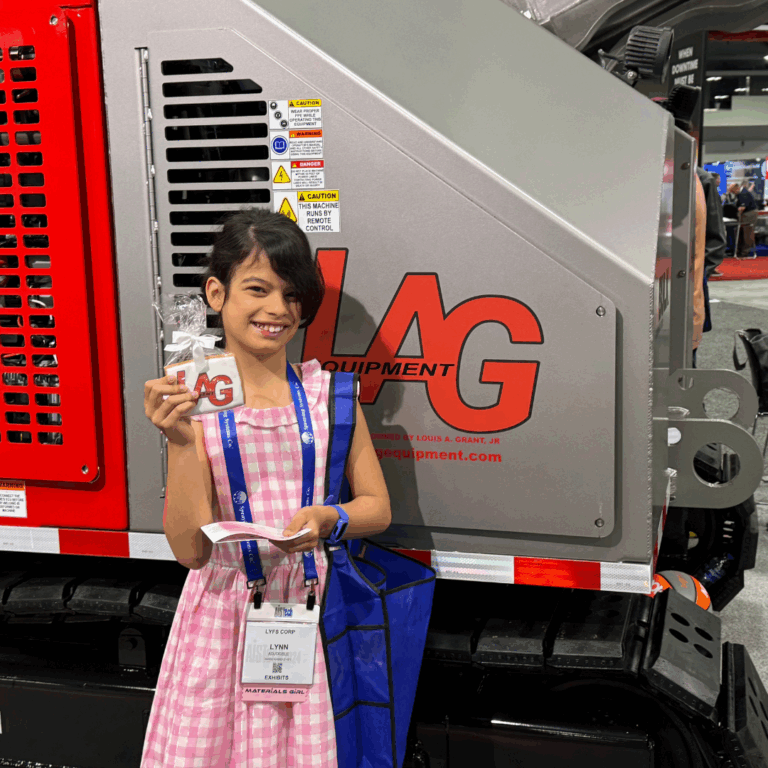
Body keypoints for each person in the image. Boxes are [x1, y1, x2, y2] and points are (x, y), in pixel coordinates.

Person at [141, 209, 391, 767]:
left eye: (293, 294)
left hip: (312, 609)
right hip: (221, 616)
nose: (278, 310)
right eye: (257, 288)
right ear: (216, 292)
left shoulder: (331, 394)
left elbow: (377, 508)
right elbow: (189, 551)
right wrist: (181, 443)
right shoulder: (195, 400)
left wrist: (331, 519)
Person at [736, 182, 758, 258]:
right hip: (747, 214)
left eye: (733, 191)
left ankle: (745, 252)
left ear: (737, 188)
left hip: (749, 214)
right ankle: (741, 251)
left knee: (747, 233)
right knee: (743, 233)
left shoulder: (743, 193)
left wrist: (737, 214)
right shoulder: (743, 192)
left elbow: (742, 207)